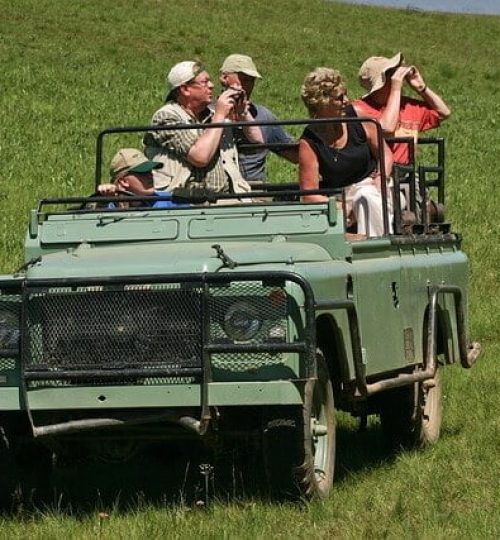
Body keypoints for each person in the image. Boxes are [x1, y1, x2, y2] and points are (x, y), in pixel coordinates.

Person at [299, 67, 394, 237]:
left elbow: (385, 154)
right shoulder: (310, 141)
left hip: (372, 184)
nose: (346, 101)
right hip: (340, 195)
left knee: (365, 197)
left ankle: (376, 247)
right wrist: (336, 205)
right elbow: (309, 193)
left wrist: (381, 176)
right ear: (323, 103)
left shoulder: (357, 117)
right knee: (359, 200)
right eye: (339, 98)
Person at [143, 60, 262, 196]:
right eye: (204, 82)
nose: (211, 86)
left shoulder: (212, 114)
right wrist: (220, 115)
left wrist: (242, 113)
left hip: (227, 196)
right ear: (185, 89)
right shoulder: (165, 117)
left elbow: (258, 143)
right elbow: (200, 157)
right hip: (185, 200)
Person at [352, 52, 451, 166]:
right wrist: (395, 88)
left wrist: (422, 88)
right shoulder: (359, 109)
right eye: (391, 73)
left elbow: (444, 113)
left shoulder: (408, 106)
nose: (398, 78)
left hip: (406, 174)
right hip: (375, 173)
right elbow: (387, 127)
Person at [219, 54, 298, 182]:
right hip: (220, 191)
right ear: (224, 78)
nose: (247, 86)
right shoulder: (208, 113)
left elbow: (294, 155)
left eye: (251, 81)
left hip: (255, 190)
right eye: (243, 79)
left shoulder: (262, 116)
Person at [97, 148, 187, 208]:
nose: (150, 176)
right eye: (143, 172)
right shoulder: (111, 206)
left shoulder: (168, 201)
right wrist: (103, 199)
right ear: (124, 181)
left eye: (150, 171)